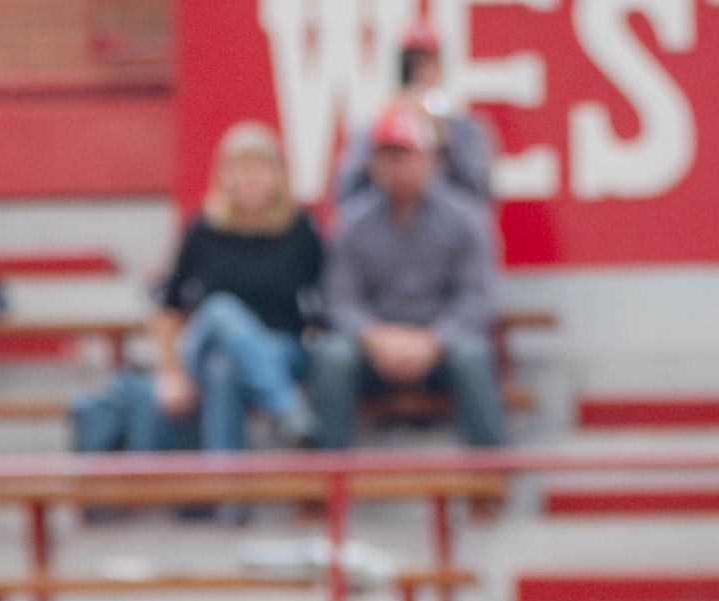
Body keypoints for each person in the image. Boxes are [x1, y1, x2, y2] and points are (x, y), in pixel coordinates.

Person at [307, 108, 502, 450]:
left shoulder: (465, 218)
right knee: (332, 356)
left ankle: (488, 486)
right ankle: (329, 484)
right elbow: (340, 300)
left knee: (472, 355)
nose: (397, 168)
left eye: (405, 155)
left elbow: (476, 298)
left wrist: (434, 340)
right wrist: (375, 336)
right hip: (373, 348)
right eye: (387, 157)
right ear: (371, 165)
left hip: (440, 346)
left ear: (430, 159)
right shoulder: (351, 224)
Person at [148, 125, 321, 455]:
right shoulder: (203, 229)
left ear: (278, 175)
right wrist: (169, 374)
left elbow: (324, 298)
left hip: (279, 348)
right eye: (241, 170)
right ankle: (287, 408)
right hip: (205, 345)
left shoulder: (300, 230)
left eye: (259, 168)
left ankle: (228, 492)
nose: (250, 179)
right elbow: (167, 307)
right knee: (220, 310)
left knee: (224, 368)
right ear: (224, 176)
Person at [334, 24, 495, 205]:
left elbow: (480, 199)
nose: (419, 75)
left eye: (426, 64)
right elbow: (346, 199)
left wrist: (442, 137)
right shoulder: (372, 129)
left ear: (439, 70)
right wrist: (385, 140)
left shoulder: (467, 132)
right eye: (411, 66)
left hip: (445, 229)